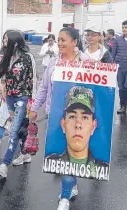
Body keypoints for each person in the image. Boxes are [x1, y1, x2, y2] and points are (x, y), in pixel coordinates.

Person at [29, 27, 92, 210]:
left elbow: (97, 89)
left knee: (71, 154)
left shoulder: (86, 62)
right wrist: (35, 108)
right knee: (62, 154)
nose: (60, 43)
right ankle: (72, 186)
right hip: (54, 115)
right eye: (58, 40)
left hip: (77, 119)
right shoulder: (54, 63)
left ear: (74, 42)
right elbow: (43, 89)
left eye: (64, 40)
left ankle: (64, 197)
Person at [0, 30, 36, 178]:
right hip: (10, 98)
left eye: (5, 40)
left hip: (23, 99)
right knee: (21, 127)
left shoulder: (28, 58)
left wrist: (32, 102)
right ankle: (25, 154)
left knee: (14, 130)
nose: (3, 42)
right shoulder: (7, 58)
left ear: (15, 42)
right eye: (3, 39)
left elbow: (34, 80)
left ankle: (4, 165)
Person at [45, 86, 108, 179]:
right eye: (72, 116)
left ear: (93, 127)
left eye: (85, 117)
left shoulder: (102, 169)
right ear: (63, 125)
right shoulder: (50, 164)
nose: (78, 125)